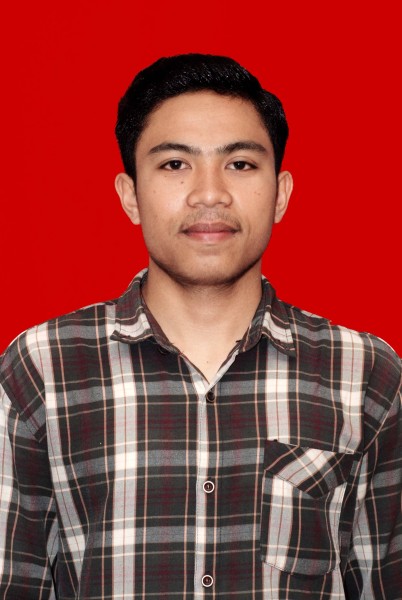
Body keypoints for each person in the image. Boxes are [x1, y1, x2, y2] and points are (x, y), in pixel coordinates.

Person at [0, 54, 400, 600]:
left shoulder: (366, 374)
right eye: (174, 164)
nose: (209, 193)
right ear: (129, 195)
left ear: (281, 193)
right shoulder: (42, 369)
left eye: (240, 164)